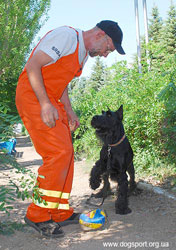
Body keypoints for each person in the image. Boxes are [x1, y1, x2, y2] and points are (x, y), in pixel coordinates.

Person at [16, 20, 125, 238]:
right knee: (58, 154)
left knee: (66, 155)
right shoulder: (67, 37)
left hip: (51, 99)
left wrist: (70, 110)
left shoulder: (83, 54)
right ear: (101, 35)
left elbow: (62, 83)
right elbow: (33, 66)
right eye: (108, 48)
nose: (105, 54)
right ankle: (37, 214)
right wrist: (45, 103)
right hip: (34, 96)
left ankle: (58, 212)